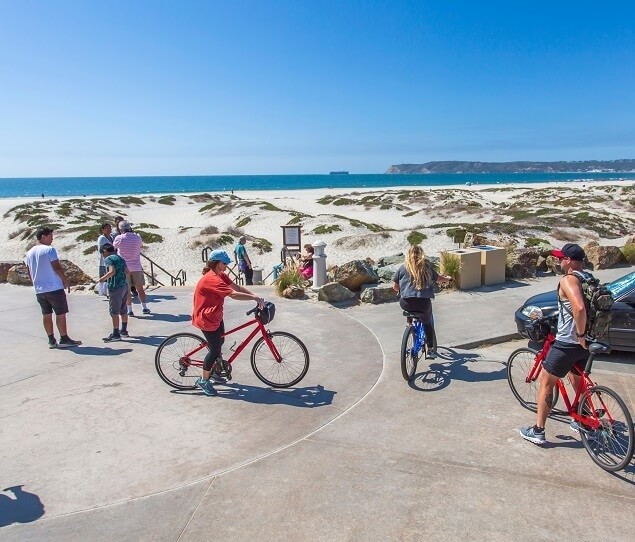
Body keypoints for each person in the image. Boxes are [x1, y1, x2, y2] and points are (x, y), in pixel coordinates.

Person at [520, 243, 588, 445]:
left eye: (561, 258)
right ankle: (583, 419)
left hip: (568, 342)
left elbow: (580, 308)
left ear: (569, 261)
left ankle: (538, 430)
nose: (558, 261)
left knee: (546, 383)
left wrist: (580, 333)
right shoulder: (588, 278)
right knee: (577, 378)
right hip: (584, 346)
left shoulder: (569, 279)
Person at [192, 249, 264, 396]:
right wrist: (254, 298)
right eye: (225, 263)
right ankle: (204, 381)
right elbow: (233, 294)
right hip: (206, 319)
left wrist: (255, 295)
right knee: (215, 350)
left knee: (221, 340)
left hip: (215, 316)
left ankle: (215, 369)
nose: (226, 266)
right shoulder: (212, 279)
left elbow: (236, 287)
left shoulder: (220, 275)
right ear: (218, 264)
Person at [24, 227, 82, 349]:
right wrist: (65, 280)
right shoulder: (49, 250)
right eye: (50, 236)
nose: (52, 239)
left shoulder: (29, 253)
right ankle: (64, 338)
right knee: (60, 313)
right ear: (43, 237)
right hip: (53, 287)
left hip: (40, 289)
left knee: (46, 314)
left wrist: (35, 283)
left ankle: (51, 340)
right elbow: (56, 267)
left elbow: (29, 271)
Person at [391, 245, 451, 359]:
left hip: (405, 303)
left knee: (409, 304)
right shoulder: (426, 266)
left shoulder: (402, 267)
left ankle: (409, 324)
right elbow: (439, 279)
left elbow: (395, 287)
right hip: (423, 303)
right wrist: (448, 278)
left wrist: (403, 288)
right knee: (427, 322)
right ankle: (430, 349)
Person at [112, 220, 150, 316]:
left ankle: (129, 310)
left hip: (124, 267)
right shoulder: (137, 237)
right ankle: (144, 307)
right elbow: (140, 246)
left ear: (121, 229)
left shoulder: (119, 238)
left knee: (127, 290)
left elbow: (114, 246)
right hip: (136, 266)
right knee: (140, 288)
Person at [98, 243, 130, 342]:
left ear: (105, 251)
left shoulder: (109, 259)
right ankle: (124, 330)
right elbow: (128, 272)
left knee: (114, 311)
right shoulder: (120, 258)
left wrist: (102, 279)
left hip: (115, 287)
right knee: (123, 309)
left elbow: (112, 271)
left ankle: (116, 333)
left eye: (102, 253)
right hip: (124, 285)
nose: (103, 256)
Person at [96, 223, 113, 296]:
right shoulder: (102, 238)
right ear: (102, 230)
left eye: (109, 228)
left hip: (111, 259)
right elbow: (101, 250)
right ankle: (106, 292)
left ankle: (109, 292)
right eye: (106, 228)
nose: (108, 230)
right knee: (106, 275)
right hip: (105, 261)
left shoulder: (111, 237)